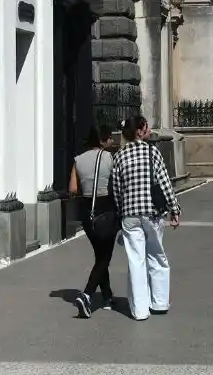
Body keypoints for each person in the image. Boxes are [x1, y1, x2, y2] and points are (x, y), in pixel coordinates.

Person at [110, 115, 181, 321]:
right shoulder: (152, 152)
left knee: (136, 261)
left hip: (130, 215)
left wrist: (121, 210)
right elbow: (165, 183)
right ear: (139, 131)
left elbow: (116, 189)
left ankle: (140, 310)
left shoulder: (119, 156)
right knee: (157, 255)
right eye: (147, 127)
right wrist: (174, 209)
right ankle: (159, 302)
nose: (149, 130)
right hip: (152, 213)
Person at [68, 125, 118, 318]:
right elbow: (116, 182)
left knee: (100, 255)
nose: (112, 142)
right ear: (104, 140)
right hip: (105, 208)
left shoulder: (78, 160)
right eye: (110, 139)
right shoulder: (109, 158)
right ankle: (87, 294)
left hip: (86, 212)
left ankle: (106, 296)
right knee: (104, 257)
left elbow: (72, 188)